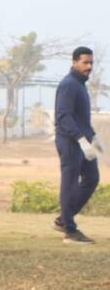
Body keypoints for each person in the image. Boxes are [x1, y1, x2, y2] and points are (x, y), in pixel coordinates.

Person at [53, 46, 102, 244]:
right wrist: (81, 140)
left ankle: (63, 219)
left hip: (83, 141)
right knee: (70, 184)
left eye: (91, 62)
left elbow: (81, 118)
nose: (89, 66)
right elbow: (63, 116)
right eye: (85, 62)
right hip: (70, 142)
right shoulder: (69, 84)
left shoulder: (80, 84)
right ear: (74, 62)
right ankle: (70, 231)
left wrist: (94, 138)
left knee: (92, 177)